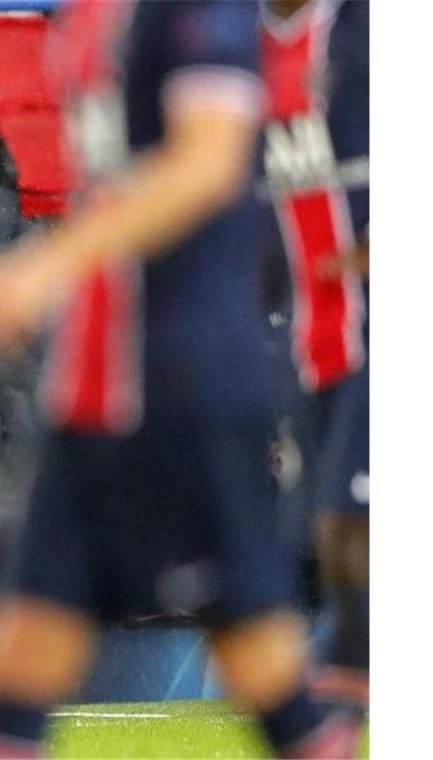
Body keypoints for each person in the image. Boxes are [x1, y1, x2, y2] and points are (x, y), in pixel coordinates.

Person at [0, 1, 362, 757]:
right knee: (18, 654)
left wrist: (45, 265)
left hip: (185, 379)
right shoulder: (84, 17)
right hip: (93, 386)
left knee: (260, 659)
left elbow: (208, 162)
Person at [259, 0, 370, 708]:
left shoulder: (364, 29)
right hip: (309, 332)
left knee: (353, 510)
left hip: (381, 324)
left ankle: (355, 662)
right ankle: (354, 656)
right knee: (331, 517)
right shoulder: (232, 45)